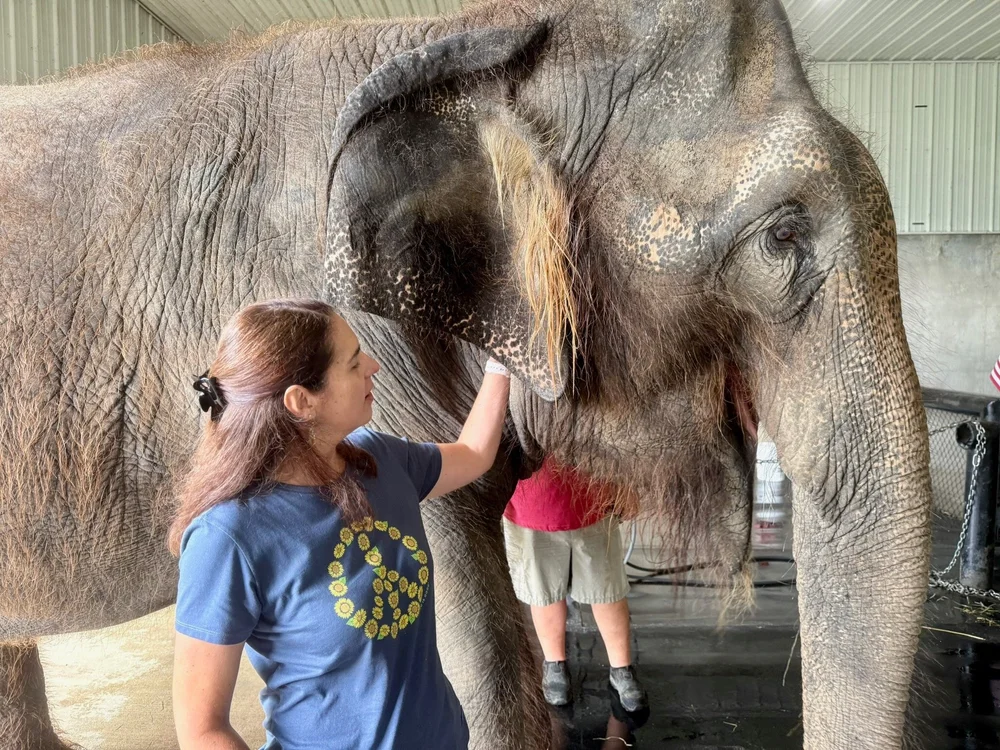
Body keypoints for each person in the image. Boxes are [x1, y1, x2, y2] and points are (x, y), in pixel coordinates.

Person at [169, 299, 511, 750]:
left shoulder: (380, 459)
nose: (374, 366)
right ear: (302, 401)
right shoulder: (227, 538)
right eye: (353, 363)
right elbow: (202, 730)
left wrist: (503, 359)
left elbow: (473, 454)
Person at [502, 459, 648, 712]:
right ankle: (554, 664)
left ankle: (621, 668)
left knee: (608, 592)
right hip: (532, 499)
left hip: (595, 495)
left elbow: (620, 441)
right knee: (544, 593)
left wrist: (627, 484)